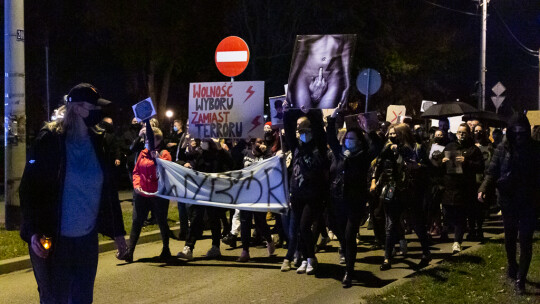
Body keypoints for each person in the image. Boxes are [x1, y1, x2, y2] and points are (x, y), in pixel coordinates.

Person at [19, 83, 127, 303]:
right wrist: (32, 232)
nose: (98, 113)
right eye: (93, 107)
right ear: (77, 108)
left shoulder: (99, 141)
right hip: (54, 240)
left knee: (82, 299)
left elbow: (108, 189)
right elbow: (29, 189)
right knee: (54, 299)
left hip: (86, 241)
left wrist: (118, 232)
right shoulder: (49, 139)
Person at [478, 113, 540, 293]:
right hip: (508, 200)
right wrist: (483, 188)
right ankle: (512, 265)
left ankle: (521, 278)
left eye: (522, 133)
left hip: (529, 200)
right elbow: (492, 171)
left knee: (526, 239)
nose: (519, 137)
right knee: (510, 237)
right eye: (516, 133)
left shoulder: (535, 149)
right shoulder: (502, 148)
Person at [370, 123, 432, 271]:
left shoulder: (417, 147)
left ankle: (426, 252)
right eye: (390, 134)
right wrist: (374, 180)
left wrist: (417, 166)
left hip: (411, 191)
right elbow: (378, 163)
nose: (392, 136)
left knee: (416, 224)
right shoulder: (388, 148)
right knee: (390, 225)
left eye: (395, 133)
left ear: (403, 133)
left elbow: (428, 167)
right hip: (393, 190)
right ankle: (387, 258)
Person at [327, 109, 371, 287]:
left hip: (354, 202)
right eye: (347, 139)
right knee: (340, 234)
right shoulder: (339, 154)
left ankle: (349, 272)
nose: (348, 141)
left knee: (349, 234)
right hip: (338, 201)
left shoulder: (363, 157)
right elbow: (330, 138)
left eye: (352, 139)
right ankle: (345, 253)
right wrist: (332, 119)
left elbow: (374, 145)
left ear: (359, 141)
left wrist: (369, 129)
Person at [283, 108, 329, 275]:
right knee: (299, 230)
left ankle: (311, 258)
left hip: (313, 195)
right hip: (297, 194)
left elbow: (317, 121)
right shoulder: (296, 147)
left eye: (305, 130)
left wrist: (308, 108)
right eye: (299, 130)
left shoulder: (319, 147)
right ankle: (305, 258)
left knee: (303, 227)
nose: (302, 133)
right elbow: (288, 128)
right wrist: (288, 110)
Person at [177, 138, 234, 260]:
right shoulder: (200, 153)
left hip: (214, 191)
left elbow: (230, 164)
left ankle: (215, 246)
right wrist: (184, 144)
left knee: (214, 218)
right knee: (196, 218)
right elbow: (181, 157)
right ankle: (189, 247)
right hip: (201, 191)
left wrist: (220, 149)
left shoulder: (220, 154)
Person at [123, 127, 172, 262]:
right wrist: (137, 185)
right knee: (137, 221)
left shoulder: (164, 154)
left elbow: (166, 172)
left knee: (162, 221)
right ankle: (130, 251)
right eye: (145, 139)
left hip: (158, 195)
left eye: (149, 139)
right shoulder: (142, 154)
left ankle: (166, 249)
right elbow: (136, 171)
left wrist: (159, 161)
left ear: (158, 140)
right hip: (142, 194)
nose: (146, 141)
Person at [439, 123, 484, 253]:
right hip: (449, 185)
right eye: (459, 132)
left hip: (463, 187)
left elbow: (480, 166)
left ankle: (457, 241)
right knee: (447, 213)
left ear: (468, 133)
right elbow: (439, 164)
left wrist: (466, 162)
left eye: (464, 132)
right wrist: (442, 162)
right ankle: (451, 230)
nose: (461, 134)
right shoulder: (450, 146)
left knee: (460, 215)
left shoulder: (473, 149)